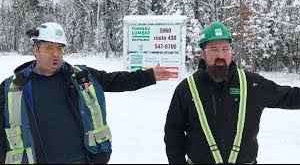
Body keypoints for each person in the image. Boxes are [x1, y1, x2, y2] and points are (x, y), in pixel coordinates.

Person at [0, 22, 172, 164]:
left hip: (82, 160)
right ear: (35, 50)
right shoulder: (13, 87)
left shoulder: (80, 77)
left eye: (59, 48)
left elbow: (116, 80)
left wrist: (149, 75)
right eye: (48, 48)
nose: (55, 54)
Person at [164, 21, 300, 164]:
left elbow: (290, 96)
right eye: (214, 50)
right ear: (203, 54)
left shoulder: (252, 84)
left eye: (225, 49)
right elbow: (173, 133)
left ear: (232, 52)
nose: (221, 55)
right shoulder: (187, 88)